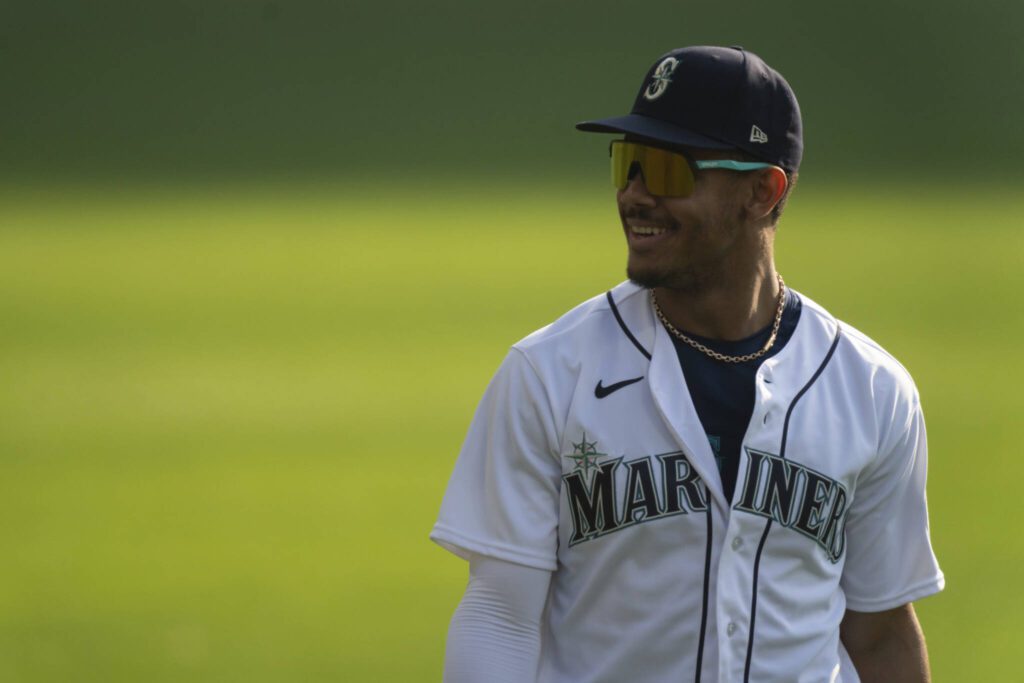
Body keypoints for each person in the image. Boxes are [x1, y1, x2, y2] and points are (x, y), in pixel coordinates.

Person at [430, 45, 944, 683]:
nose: (634, 195)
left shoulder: (871, 390)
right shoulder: (548, 374)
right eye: (627, 163)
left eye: (668, 171)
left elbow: (881, 631)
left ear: (763, 190)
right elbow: (499, 616)